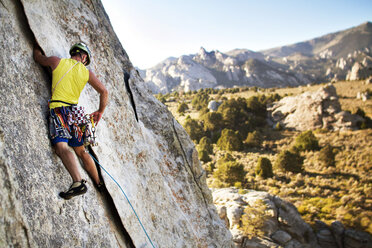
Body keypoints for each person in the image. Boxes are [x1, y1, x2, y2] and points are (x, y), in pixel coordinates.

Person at [33, 42, 108, 200]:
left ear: (74, 53)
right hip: (76, 113)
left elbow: (38, 58)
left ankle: (77, 182)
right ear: (84, 57)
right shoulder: (87, 73)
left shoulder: (57, 62)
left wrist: (36, 45)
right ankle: (99, 183)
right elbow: (104, 91)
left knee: (61, 146)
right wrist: (100, 111)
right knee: (81, 151)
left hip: (59, 110)